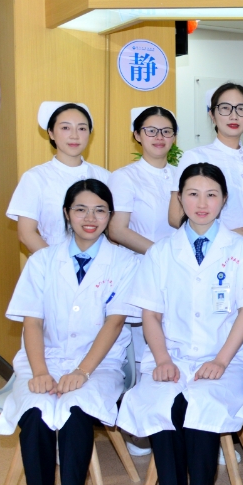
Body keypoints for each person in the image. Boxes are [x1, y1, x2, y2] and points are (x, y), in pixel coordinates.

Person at [117, 163, 243, 485]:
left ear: (224, 200)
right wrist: (162, 359)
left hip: (227, 356)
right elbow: (150, 314)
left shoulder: (241, 249)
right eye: (192, 194)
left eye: (211, 194)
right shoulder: (162, 252)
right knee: (162, 402)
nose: (202, 203)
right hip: (172, 354)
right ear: (179, 199)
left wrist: (221, 360)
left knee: (202, 403)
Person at [0, 179, 137, 485]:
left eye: (99, 210)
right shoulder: (43, 261)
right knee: (36, 415)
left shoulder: (125, 263)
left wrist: (82, 371)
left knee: (76, 413)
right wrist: (40, 372)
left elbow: (114, 324)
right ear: (66, 213)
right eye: (80, 209)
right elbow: (31, 322)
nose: (90, 218)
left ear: (110, 216)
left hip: (99, 363)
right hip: (42, 359)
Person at [109, 106, 179, 373]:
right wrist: (163, 254)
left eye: (166, 131)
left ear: (174, 137)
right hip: (142, 268)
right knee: (145, 350)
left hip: (181, 268)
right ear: (137, 135)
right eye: (151, 130)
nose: (159, 137)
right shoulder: (124, 177)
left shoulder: (182, 175)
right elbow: (117, 230)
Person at [8, 102, 111, 254]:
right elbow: (26, 234)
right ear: (51, 133)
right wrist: (58, 264)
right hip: (52, 260)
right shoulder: (35, 178)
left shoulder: (106, 177)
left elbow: (114, 229)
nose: (74, 135)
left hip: (101, 261)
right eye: (65, 128)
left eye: (82, 128)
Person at [169, 84, 243, 246]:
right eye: (225, 108)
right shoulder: (196, 157)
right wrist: (228, 236)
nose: (234, 116)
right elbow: (175, 217)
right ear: (212, 114)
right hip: (214, 250)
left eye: (241, 109)